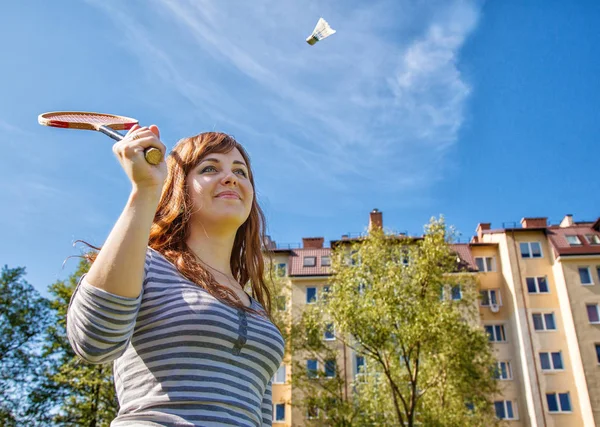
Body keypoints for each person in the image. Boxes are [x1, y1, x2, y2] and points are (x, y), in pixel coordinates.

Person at [66, 124, 285, 427]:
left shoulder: (255, 308)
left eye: (241, 172)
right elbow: (94, 341)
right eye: (210, 168)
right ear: (179, 188)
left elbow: (260, 417)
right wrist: (145, 190)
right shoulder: (146, 264)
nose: (231, 177)